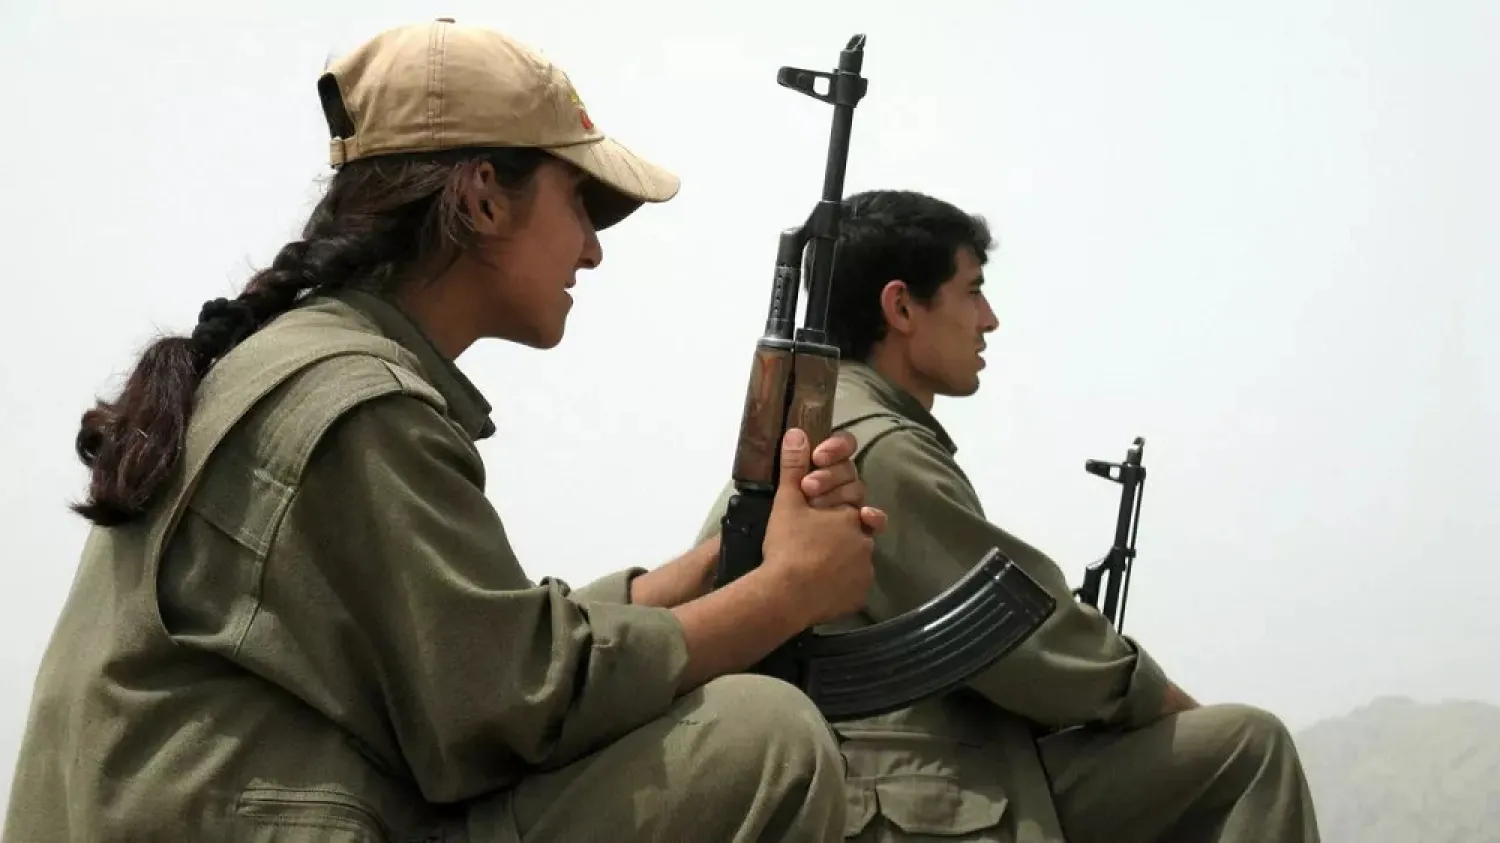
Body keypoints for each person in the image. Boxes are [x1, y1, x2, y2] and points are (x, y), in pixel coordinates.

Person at [4, 19, 889, 843]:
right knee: (761, 740)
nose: (593, 249)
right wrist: (788, 591)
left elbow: (486, 651)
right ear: (482, 199)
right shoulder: (356, 403)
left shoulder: (307, 364)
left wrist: (718, 565)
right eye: (580, 201)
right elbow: (511, 705)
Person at [694, 189, 1323, 843]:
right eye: (972, 291)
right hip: (896, 791)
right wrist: (1159, 701)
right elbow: (1030, 642)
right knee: (1248, 749)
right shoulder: (872, 445)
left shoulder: (842, 420)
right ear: (902, 305)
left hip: (904, 771)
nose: (988, 319)